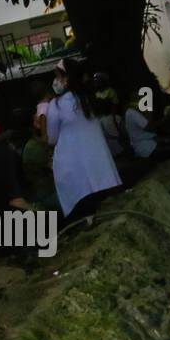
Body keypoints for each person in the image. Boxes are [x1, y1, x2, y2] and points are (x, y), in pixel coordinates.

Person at [46, 60, 122, 220]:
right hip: (98, 163)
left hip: (72, 166)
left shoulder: (56, 105)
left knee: (84, 208)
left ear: (67, 78)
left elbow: (51, 139)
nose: (55, 81)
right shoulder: (88, 99)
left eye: (58, 76)